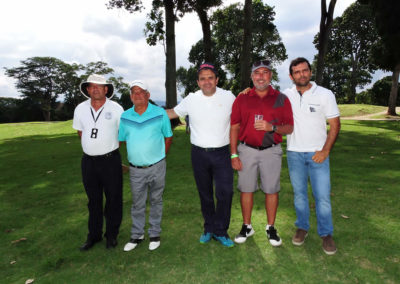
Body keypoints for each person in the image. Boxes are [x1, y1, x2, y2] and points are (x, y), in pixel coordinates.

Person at [167, 63, 236, 247]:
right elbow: (173, 113)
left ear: (217, 80)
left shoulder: (228, 97)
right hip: (199, 154)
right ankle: (209, 228)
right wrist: (144, 113)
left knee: (225, 192)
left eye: (210, 77)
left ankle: (221, 231)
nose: (207, 81)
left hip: (222, 153)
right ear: (198, 82)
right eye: (203, 78)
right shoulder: (191, 99)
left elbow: (242, 113)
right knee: (205, 194)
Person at [230, 59, 293, 247]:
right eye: (257, 73)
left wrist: (271, 127)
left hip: (271, 151)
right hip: (246, 150)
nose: (261, 77)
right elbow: (234, 127)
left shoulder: (281, 98)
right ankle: (247, 226)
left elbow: (289, 128)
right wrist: (233, 154)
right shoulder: (242, 98)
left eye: (265, 72)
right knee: (246, 189)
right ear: (251, 76)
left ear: (270, 75)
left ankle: (271, 227)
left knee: (271, 189)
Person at [284, 57, 340, 255]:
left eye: (305, 70)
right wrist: (247, 91)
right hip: (294, 154)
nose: (302, 74)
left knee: (322, 196)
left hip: (318, 154)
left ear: (310, 71)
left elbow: (335, 125)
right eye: (297, 72)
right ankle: (302, 227)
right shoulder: (285, 95)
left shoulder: (325, 94)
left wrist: (325, 150)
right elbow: (263, 97)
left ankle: (326, 234)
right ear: (291, 76)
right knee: (299, 195)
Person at [119, 80, 173, 251]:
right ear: (130, 96)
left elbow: (168, 136)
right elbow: (120, 140)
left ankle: (155, 233)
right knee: (137, 203)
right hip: (135, 169)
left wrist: (161, 156)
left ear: (148, 95)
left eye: (141, 91)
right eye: (133, 92)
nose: (137, 94)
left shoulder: (159, 113)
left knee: (156, 200)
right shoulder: (125, 116)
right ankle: (137, 235)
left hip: (157, 166)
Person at [73, 74, 124, 251]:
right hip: (88, 162)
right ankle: (93, 236)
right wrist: (93, 147)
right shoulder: (80, 108)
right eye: (92, 86)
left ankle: (111, 236)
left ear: (106, 90)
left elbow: (122, 134)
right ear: (87, 89)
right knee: (93, 201)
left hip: (110, 161)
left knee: (113, 199)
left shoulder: (116, 108)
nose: (95, 89)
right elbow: (81, 132)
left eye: (100, 86)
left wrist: (107, 146)